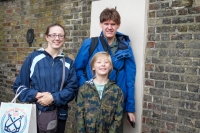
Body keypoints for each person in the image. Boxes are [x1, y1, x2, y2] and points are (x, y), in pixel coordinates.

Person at [74, 8, 136, 127]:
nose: (109, 27)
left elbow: (130, 78)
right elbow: (77, 69)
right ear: (100, 24)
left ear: (118, 25)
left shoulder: (125, 48)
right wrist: (87, 88)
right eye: (106, 24)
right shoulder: (90, 43)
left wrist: (130, 107)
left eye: (113, 24)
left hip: (115, 103)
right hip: (91, 102)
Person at [13, 23, 78, 133]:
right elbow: (18, 87)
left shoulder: (68, 63)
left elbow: (72, 89)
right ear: (47, 37)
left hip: (59, 115)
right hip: (36, 114)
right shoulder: (33, 58)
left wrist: (53, 97)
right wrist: (36, 95)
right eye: (53, 35)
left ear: (64, 38)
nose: (57, 38)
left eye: (60, 35)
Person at [76, 52, 124, 133]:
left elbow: (118, 117)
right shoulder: (84, 88)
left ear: (110, 67)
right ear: (93, 67)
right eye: (99, 62)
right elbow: (79, 114)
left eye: (106, 62)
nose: (103, 64)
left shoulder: (116, 90)